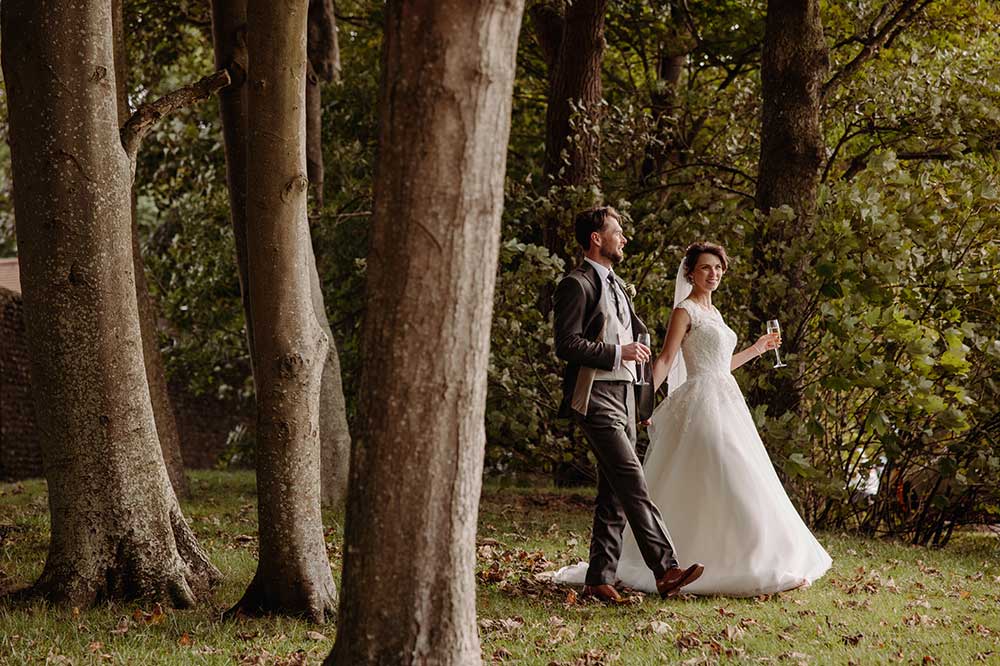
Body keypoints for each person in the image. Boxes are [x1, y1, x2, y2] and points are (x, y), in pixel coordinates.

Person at [611, 241, 832, 596]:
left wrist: (758, 348)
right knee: (724, 470)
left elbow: (720, 366)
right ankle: (705, 563)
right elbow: (666, 360)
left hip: (727, 400)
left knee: (744, 474)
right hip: (701, 404)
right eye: (705, 268)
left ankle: (751, 559)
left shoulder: (714, 313)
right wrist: (643, 403)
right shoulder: (684, 311)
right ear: (690, 273)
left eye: (717, 268)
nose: (713, 274)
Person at [552, 206, 704, 602]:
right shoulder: (575, 284)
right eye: (616, 232)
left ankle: (599, 578)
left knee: (615, 490)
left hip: (625, 396)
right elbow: (566, 344)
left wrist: (643, 398)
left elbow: (635, 339)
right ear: (596, 239)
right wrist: (618, 353)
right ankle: (666, 569)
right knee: (633, 481)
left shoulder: (618, 285)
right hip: (595, 395)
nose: (624, 239)